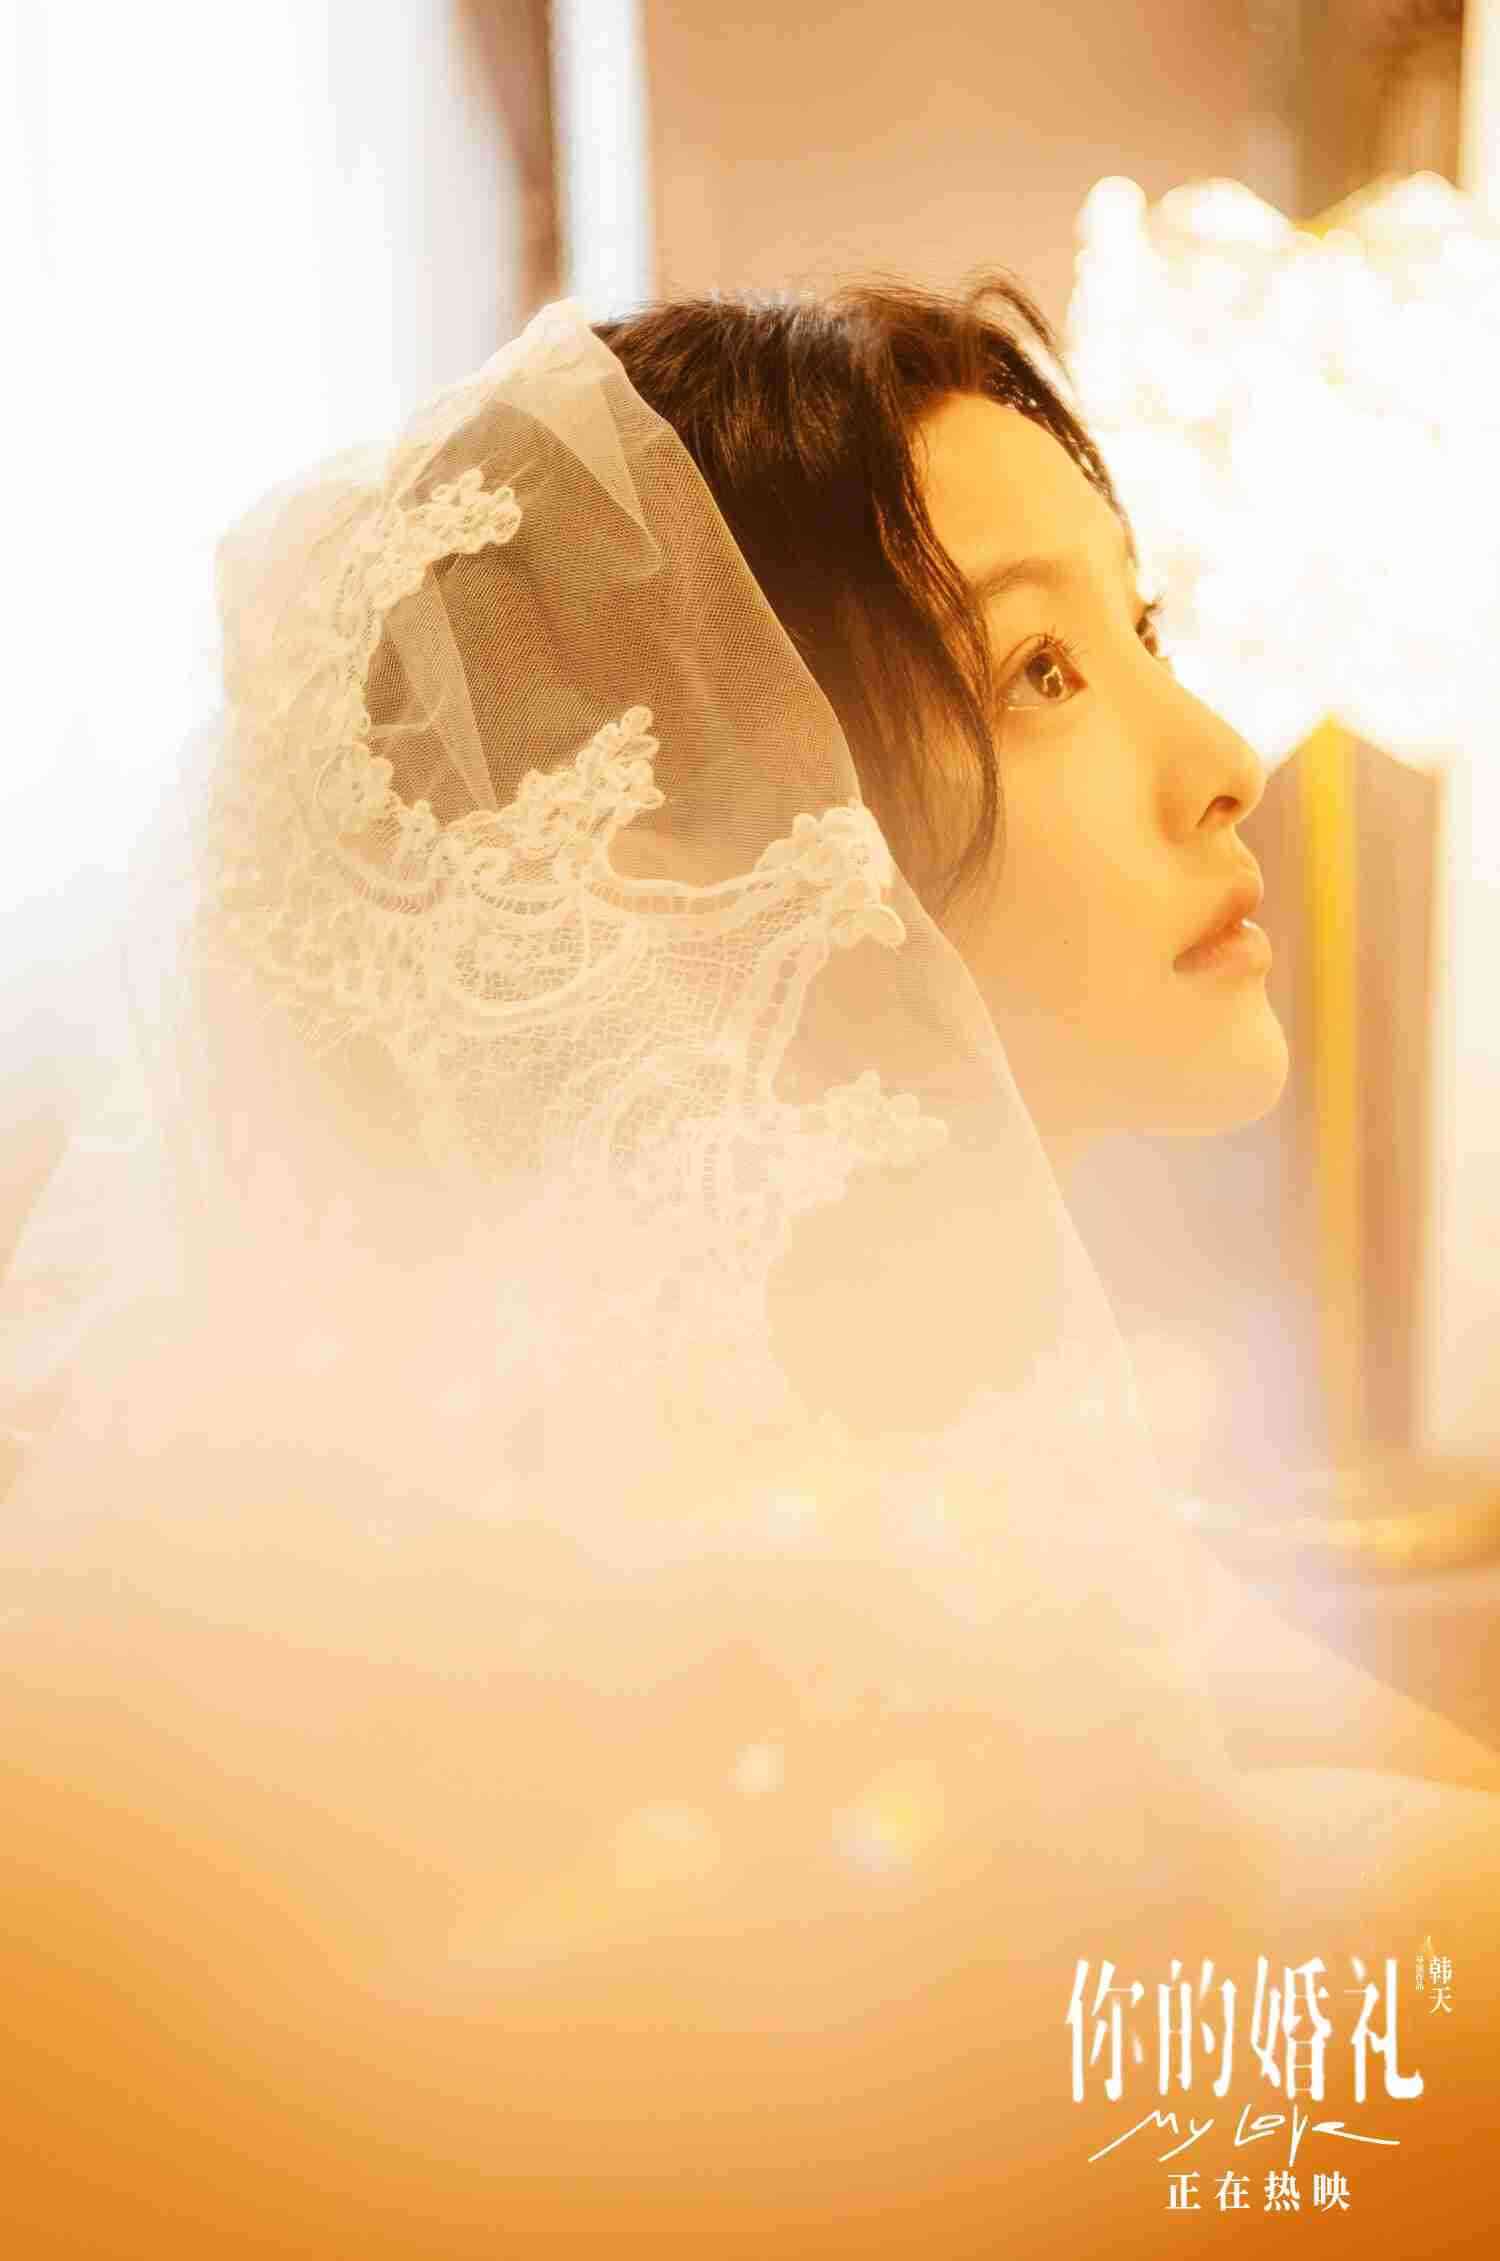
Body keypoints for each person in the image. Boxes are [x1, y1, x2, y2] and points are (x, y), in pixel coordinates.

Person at [0, 278, 1496, 2257]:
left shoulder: (942, 1503)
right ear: (719, 834)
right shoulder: (810, 1723)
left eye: (1141, 634)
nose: (1221, 757)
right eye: (1041, 670)